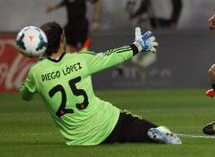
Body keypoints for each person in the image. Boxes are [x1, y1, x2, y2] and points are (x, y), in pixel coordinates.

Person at [19, 21, 182, 145]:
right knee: (139, 126)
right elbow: (111, 56)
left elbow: (25, 95)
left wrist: (33, 73)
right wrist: (137, 46)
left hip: (78, 140)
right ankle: (154, 132)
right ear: (62, 39)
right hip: (109, 124)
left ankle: (152, 133)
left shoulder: (36, 72)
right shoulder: (81, 59)